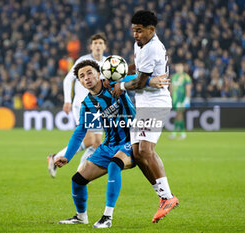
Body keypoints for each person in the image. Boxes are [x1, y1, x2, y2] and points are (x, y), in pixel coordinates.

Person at [111, 10, 179, 223]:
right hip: (144, 104)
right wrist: (119, 72)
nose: (135, 35)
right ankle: (163, 197)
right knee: (138, 153)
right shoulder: (140, 44)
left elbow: (140, 82)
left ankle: (168, 197)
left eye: (139, 31)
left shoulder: (153, 48)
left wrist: (121, 84)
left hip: (156, 104)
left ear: (152, 30)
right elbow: (137, 69)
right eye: (133, 30)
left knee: (146, 150)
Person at [52, 60, 136, 228]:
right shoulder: (87, 105)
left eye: (90, 73)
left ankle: (107, 217)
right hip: (108, 145)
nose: (87, 78)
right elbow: (79, 133)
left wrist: (149, 80)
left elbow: (137, 78)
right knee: (77, 180)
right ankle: (81, 216)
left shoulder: (114, 84)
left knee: (114, 164)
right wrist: (67, 156)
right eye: (82, 76)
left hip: (132, 141)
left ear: (99, 73)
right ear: (80, 83)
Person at [48, 34, 107, 177]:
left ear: (104, 46)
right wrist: (67, 100)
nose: (98, 46)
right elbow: (68, 79)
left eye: (100, 43)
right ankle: (56, 158)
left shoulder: (107, 63)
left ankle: (81, 172)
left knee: (97, 143)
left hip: (97, 108)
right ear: (91, 46)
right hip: (82, 105)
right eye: (95, 43)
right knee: (88, 140)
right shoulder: (83, 61)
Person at [169, 62, 192, 139]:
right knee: (178, 115)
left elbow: (188, 89)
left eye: (180, 66)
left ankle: (177, 132)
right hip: (175, 100)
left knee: (179, 114)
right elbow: (171, 89)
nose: (178, 68)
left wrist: (187, 99)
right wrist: (169, 98)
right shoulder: (173, 77)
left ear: (183, 67)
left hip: (182, 99)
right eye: (177, 66)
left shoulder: (186, 77)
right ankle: (181, 132)